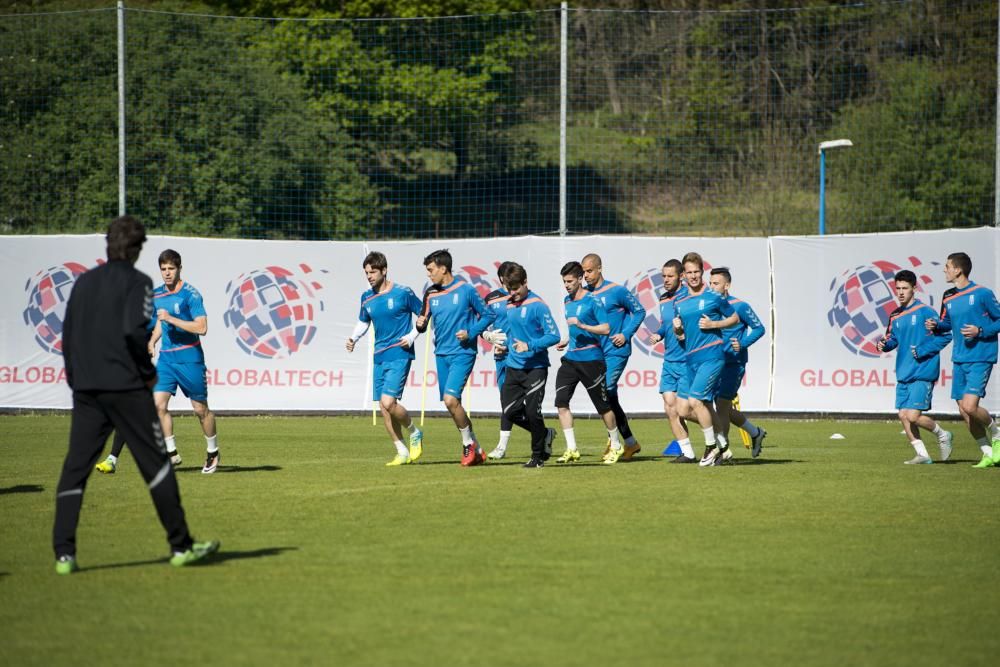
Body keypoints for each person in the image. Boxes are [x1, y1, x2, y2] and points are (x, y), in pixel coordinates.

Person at [53, 215, 218, 575]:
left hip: (87, 389)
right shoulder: (140, 284)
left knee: (75, 468)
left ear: (108, 245)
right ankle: (181, 546)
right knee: (157, 467)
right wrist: (145, 377)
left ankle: (64, 554)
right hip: (124, 387)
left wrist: (75, 380)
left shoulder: (84, 282)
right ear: (138, 249)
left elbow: (67, 334)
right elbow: (134, 335)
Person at [141, 249, 221, 474]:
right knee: (157, 405)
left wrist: (172, 319)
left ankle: (213, 453)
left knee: (200, 410)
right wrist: (153, 340)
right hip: (167, 359)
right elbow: (160, 321)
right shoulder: (157, 295)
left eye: (171, 269)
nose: (167, 273)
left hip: (190, 359)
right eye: (163, 269)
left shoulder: (191, 294)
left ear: (179, 269)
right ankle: (171, 453)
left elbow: (202, 328)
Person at [415, 249, 495, 466]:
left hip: (463, 352)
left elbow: (488, 314)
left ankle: (468, 445)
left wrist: (471, 332)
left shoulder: (466, 290)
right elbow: (422, 320)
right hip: (441, 354)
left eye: (431, 270)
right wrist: (419, 325)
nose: (429, 275)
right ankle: (476, 447)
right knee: (452, 404)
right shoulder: (431, 294)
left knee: (451, 400)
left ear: (443, 268)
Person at [346, 251, 424, 466]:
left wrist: (412, 336)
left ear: (384, 270)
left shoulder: (403, 293)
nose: (369, 276)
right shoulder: (366, 297)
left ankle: (414, 432)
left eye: (372, 272)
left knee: (389, 402)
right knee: (383, 407)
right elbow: (363, 321)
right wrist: (353, 338)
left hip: (399, 353)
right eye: (366, 273)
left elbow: (424, 316)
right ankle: (401, 451)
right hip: (379, 356)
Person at [925, 252, 1000, 468]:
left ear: (958, 269)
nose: (945, 270)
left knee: (970, 406)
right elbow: (947, 323)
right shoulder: (948, 296)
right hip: (959, 358)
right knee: (964, 411)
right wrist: (936, 325)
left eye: (947, 266)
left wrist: (981, 330)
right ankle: (987, 453)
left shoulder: (982, 293)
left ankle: (996, 434)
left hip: (981, 356)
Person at [877, 270, 953, 464]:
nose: (901, 292)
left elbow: (945, 335)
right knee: (903, 415)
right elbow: (892, 339)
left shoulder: (925, 311)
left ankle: (943, 435)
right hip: (904, 370)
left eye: (905, 288)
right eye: (898, 288)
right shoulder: (895, 315)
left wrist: (922, 350)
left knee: (913, 415)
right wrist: (884, 344)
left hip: (922, 370)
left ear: (914, 289)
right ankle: (922, 455)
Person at [671, 252, 739, 467]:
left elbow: (734, 317)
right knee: (682, 409)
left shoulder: (713, 297)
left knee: (696, 401)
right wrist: (678, 331)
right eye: (689, 272)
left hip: (712, 356)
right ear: (683, 275)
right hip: (690, 360)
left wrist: (714, 325)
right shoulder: (680, 302)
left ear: (702, 272)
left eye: (697, 272)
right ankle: (724, 448)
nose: (693, 276)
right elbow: (682, 336)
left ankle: (710, 447)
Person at [553, 261, 624, 464]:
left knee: (603, 407)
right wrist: (567, 339)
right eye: (564, 282)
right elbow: (574, 328)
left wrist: (583, 325)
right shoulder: (567, 301)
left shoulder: (593, 301)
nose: (566, 285)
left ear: (580, 279)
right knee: (561, 402)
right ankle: (572, 449)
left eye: (570, 281)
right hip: (571, 359)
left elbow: (606, 328)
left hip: (592, 360)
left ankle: (616, 445)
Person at [581, 253, 646, 460]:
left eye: (589, 270)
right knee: (609, 397)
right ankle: (629, 442)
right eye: (583, 271)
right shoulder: (584, 295)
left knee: (605, 390)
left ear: (599, 268)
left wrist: (625, 334)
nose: (586, 275)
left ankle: (614, 441)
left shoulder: (616, 291)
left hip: (616, 351)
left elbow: (639, 311)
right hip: (596, 354)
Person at [499, 263, 560, 468]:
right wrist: (504, 347)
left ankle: (537, 456)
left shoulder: (538, 305)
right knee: (509, 411)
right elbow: (513, 336)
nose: (513, 293)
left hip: (536, 367)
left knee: (533, 412)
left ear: (525, 282)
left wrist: (530, 345)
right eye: (509, 289)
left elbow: (554, 336)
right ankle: (545, 433)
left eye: (516, 288)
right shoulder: (509, 305)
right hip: (513, 366)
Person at [708, 267, 768, 460]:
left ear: (727, 285)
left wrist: (742, 344)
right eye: (710, 283)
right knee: (716, 407)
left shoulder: (740, 306)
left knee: (723, 405)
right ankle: (755, 432)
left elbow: (759, 328)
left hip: (733, 364)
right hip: (712, 363)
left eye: (715, 283)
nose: (711, 286)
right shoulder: (709, 305)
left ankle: (721, 451)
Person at [648, 259, 697, 463]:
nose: (666, 280)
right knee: (669, 406)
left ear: (681, 277)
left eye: (670, 276)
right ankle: (687, 453)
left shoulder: (689, 297)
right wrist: (659, 334)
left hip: (687, 360)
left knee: (685, 408)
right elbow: (664, 324)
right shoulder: (663, 298)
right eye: (663, 276)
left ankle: (718, 426)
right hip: (669, 361)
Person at [483, 262, 515, 460]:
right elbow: (480, 325)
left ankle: (502, 447)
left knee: (516, 404)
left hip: (521, 356)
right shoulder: (491, 299)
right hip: (500, 357)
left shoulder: (525, 297)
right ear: (501, 278)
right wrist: (488, 336)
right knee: (507, 402)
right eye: (506, 277)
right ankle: (543, 434)